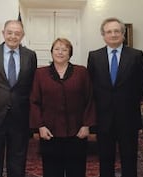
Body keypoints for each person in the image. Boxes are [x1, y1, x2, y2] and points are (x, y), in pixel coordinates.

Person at [87, 17, 143, 177]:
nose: (113, 34)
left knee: (129, 157)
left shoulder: (136, 55)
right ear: (103, 35)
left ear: (123, 34)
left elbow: (141, 84)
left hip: (128, 116)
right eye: (109, 31)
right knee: (105, 158)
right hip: (103, 117)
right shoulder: (94, 56)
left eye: (116, 31)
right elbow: (91, 85)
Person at [30, 38, 96, 177]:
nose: (60, 52)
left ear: (70, 53)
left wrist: (86, 125)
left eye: (64, 49)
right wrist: (40, 126)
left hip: (77, 132)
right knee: (52, 171)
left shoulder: (81, 72)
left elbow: (90, 99)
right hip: (49, 132)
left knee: (76, 171)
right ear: (52, 52)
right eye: (57, 49)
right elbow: (34, 101)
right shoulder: (40, 73)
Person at [0, 20, 37, 177]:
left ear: (23, 35)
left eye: (17, 33)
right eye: (10, 32)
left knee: (18, 160)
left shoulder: (30, 56)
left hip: (20, 116)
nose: (13, 36)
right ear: (3, 33)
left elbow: (31, 84)